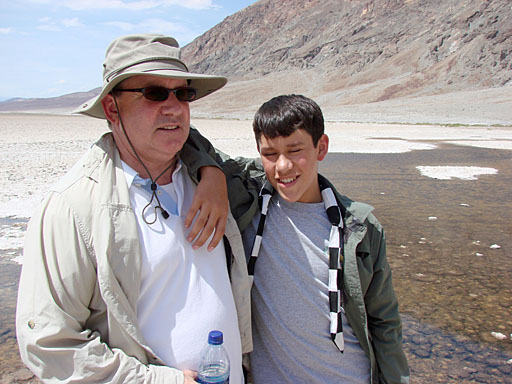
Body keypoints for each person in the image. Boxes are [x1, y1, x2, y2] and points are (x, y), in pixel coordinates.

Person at [16, 34, 255, 384]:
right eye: (154, 93)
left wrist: (212, 171)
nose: (173, 107)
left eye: (182, 93)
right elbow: (49, 343)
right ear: (112, 109)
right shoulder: (72, 207)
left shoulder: (206, 174)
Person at [187, 94, 410, 383]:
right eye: (270, 154)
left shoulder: (360, 228)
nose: (282, 167)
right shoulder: (249, 198)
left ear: (322, 147)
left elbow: (384, 323)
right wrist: (211, 173)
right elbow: (186, 137)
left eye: (295, 150)